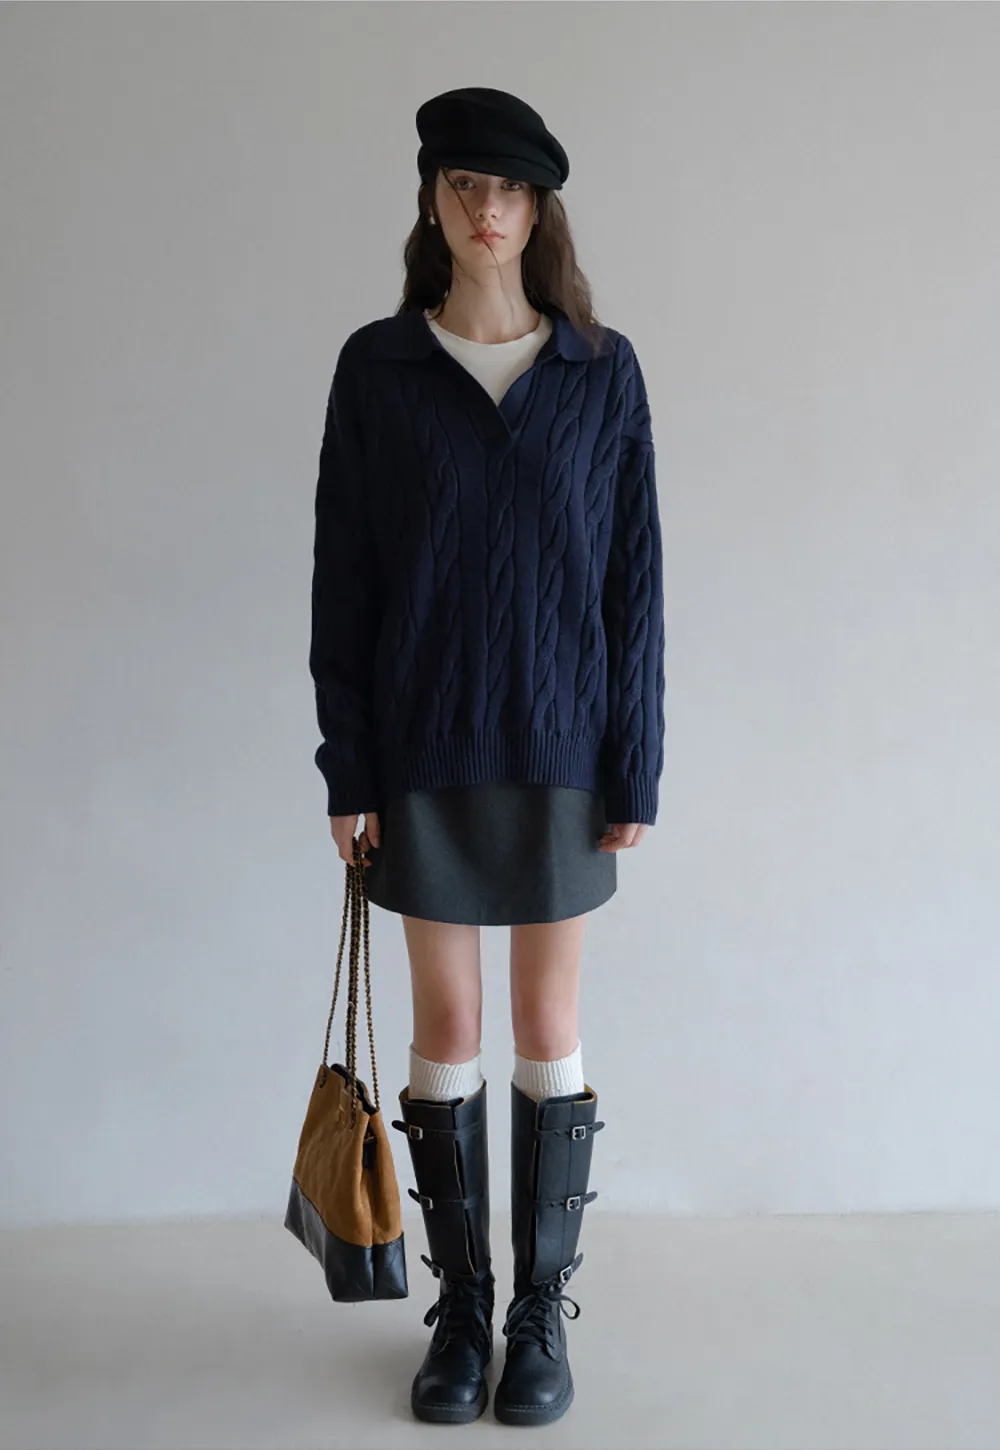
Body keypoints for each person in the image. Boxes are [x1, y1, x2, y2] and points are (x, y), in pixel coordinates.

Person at [308, 86, 665, 1427]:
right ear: (433, 199)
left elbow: (635, 587)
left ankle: (538, 1314)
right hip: (425, 747)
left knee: (546, 1027)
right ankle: (460, 1310)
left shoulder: (600, 372)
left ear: (538, 209)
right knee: (449, 1028)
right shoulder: (380, 371)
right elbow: (344, 580)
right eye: (465, 183)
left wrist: (636, 762)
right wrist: (349, 767)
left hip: (566, 746)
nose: (487, 209)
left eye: (510, 188)